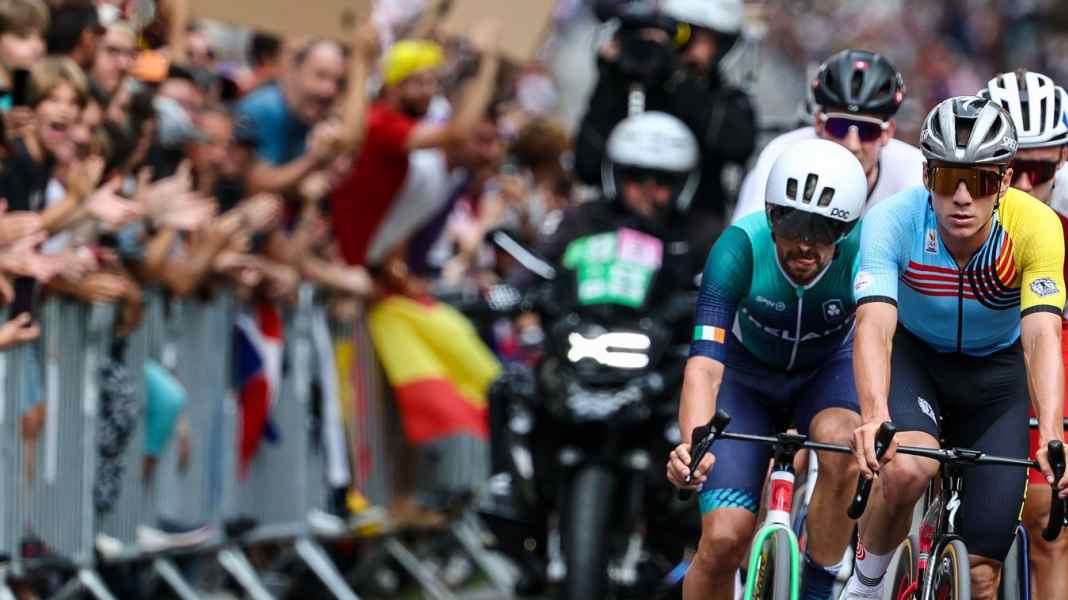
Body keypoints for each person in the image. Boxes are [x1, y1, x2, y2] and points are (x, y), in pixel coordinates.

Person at [845, 96, 1068, 600]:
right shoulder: (891, 221)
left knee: (983, 573)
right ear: (927, 177)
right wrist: (876, 414)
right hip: (917, 362)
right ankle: (864, 585)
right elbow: (876, 325)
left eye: (982, 181)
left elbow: (1040, 335)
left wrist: (1052, 432)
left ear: (1004, 181)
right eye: (948, 180)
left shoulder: (1035, 227)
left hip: (996, 380)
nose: (963, 197)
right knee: (907, 468)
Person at [666, 138, 868, 600]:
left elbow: (880, 339)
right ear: (772, 216)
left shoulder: (864, 252)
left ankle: (819, 586)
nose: (805, 244)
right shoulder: (738, 248)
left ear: (847, 229)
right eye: (792, 224)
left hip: (826, 376)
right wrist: (692, 448)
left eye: (824, 231)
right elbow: (704, 366)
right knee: (721, 540)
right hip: (745, 382)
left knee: (842, 442)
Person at [978, 69, 1068, 600]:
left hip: (1040, 373)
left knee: (1049, 519)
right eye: (1013, 169)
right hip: (967, 372)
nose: (1027, 185)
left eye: (1040, 168)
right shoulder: (953, 217)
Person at [575, 0, 756, 254]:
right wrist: (612, 81)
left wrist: (677, 78)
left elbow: (738, 144)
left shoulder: (727, 100)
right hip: (613, 236)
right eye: (691, 35)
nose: (704, 53)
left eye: (718, 42)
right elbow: (587, 165)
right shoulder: (628, 83)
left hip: (686, 243)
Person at [732, 49, 923, 224]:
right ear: (819, 124)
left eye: (867, 130)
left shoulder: (914, 173)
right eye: (839, 126)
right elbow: (747, 239)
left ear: (887, 133)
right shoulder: (781, 155)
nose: (852, 144)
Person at [236, 37, 345, 194]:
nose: (330, 90)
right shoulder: (262, 108)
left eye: (337, 81)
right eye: (321, 76)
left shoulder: (318, 115)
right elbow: (257, 183)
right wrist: (313, 160)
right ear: (295, 70)